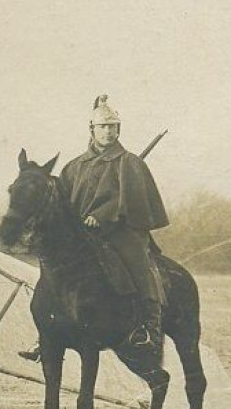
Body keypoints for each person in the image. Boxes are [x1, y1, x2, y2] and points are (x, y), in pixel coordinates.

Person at [60, 95, 169, 349]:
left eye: (113, 127)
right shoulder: (74, 166)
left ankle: (149, 327)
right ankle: (48, 331)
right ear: (92, 130)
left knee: (138, 264)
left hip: (121, 231)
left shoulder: (130, 163)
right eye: (103, 127)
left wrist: (102, 217)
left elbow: (134, 200)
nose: (108, 132)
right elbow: (63, 204)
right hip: (82, 235)